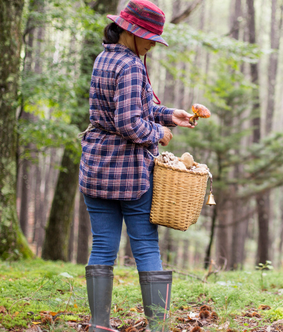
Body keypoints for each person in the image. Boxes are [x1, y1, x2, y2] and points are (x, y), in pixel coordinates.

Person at [79, 1, 194, 331]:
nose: (151, 45)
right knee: (145, 246)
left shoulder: (105, 58)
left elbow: (125, 110)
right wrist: (160, 132)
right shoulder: (130, 66)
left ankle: (99, 325)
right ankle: (157, 327)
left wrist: (169, 114)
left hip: (97, 167)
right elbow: (129, 123)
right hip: (130, 173)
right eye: (148, 38)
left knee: (102, 246)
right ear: (129, 31)